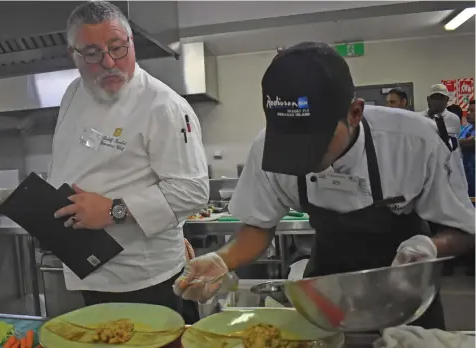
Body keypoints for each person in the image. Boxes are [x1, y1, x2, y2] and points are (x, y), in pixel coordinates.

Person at [173, 42, 475, 330]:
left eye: (316, 143)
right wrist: (221, 259)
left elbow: (464, 231)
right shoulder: (265, 147)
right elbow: (259, 225)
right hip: (329, 286)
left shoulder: (416, 142)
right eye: (290, 143)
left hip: (407, 290)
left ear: (355, 112)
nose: (303, 157)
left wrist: (430, 246)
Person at [50, 1, 208, 321]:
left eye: (118, 47)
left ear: (131, 42)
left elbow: (193, 191)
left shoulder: (162, 106)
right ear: (74, 55)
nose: (109, 62)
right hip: (89, 268)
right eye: (92, 53)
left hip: (144, 278)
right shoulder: (73, 94)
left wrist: (111, 210)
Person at [459, 100, 475, 197]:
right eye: (468, 110)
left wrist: (459, 142)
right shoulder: (467, 128)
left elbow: (472, 142)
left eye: (472, 111)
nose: (468, 113)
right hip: (466, 173)